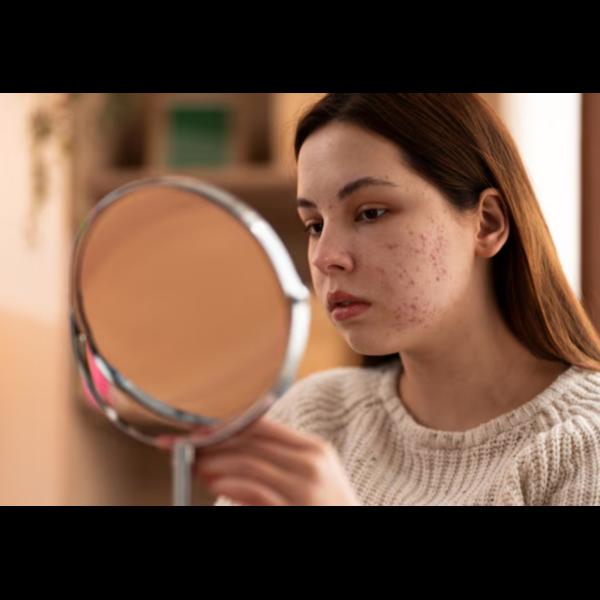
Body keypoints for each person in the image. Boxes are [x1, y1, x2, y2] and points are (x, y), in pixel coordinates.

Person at [196, 93, 600, 506]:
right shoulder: (311, 418)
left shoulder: (584, 444)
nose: (325, 257)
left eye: (370, 213)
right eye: (314, 225)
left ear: (487, 224)